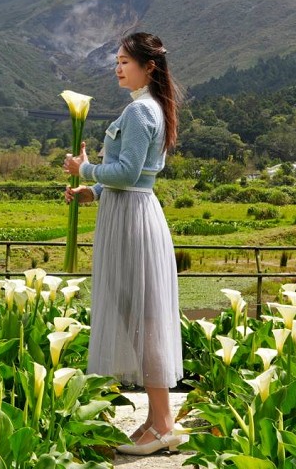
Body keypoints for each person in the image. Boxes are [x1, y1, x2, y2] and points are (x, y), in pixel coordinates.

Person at [63, 32, 184, 456]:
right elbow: (131, 173)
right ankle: (156, 419)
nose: (117, 68)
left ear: (148, 67)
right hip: (129, 211)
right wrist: (93, 191)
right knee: (138, 316)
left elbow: (129, 173)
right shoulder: (147, 108)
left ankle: (164, 424)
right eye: (116, 61)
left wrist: (84, 170)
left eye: (124, 62)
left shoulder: (139, 111)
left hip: (132, 218)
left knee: (143, 318)